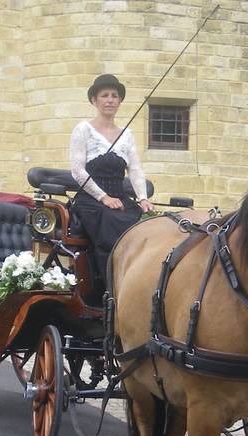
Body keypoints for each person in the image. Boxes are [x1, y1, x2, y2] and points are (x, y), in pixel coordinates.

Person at [69, 73, 152, 290]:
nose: (109, 100)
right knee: (111, 225)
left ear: (120, 101)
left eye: (114, 96)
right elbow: (77, 171)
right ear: (94, 101)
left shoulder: (127, 134)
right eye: (104, 95)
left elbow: (134, 169)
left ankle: (142, 285)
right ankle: (112, 291)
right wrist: (103, 197)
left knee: (145, 224)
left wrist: (143, 199)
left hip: (120, 198)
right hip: (91, 200)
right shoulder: (83, 130)